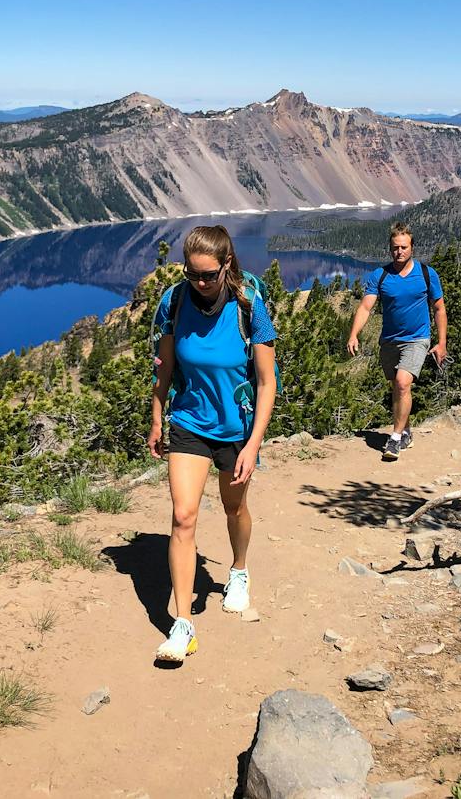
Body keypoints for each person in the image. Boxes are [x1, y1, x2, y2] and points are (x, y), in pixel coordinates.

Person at [147, 225, 278, 664]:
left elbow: (266, 381)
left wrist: (252, 444)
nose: (200, 283)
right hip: (188, 422)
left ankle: (238, 569)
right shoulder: (174, 300)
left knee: (233, 507)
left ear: (227, 265)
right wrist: (156, 417)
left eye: (208, 275)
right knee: (183, 517)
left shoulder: (249, 301)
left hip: (238, 427)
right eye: (192, 274)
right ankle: (182, 625)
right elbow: (163, 365)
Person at [346, 222, 447, 461]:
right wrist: (353, 334)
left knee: (403, 383)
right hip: (390, 341)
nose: (399, 252)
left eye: (403, 247)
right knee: (396, 387)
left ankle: (394, 439)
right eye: (394, 248)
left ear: (412, 247)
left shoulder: (426, 274)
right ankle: (406, 430)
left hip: (417, 339)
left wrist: (441, 342)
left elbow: (439, 308)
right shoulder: (381, 276)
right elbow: (365, 307)